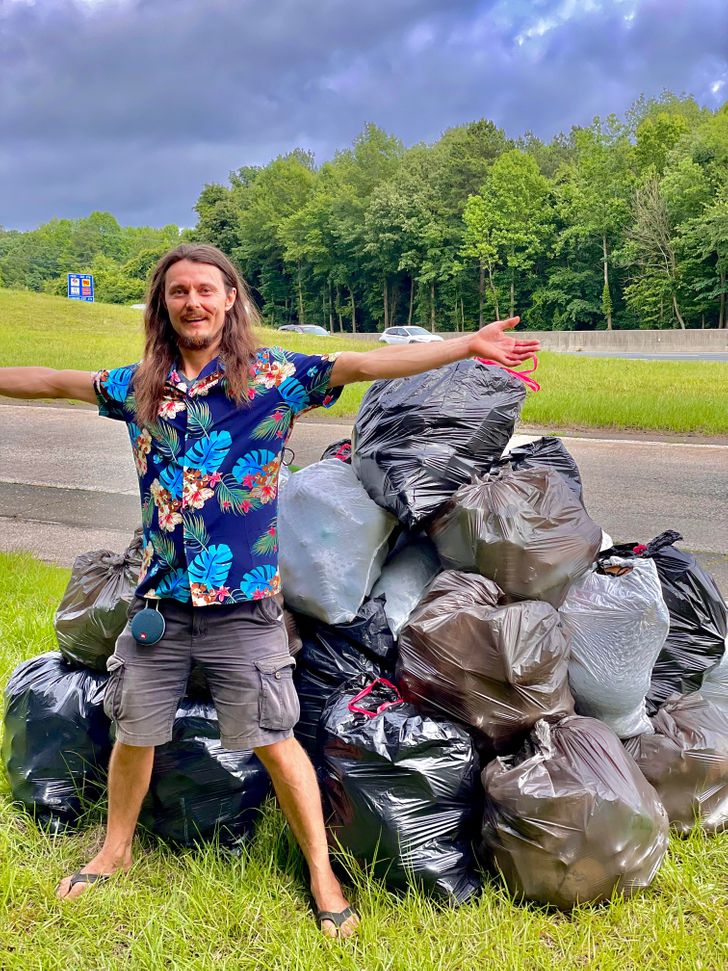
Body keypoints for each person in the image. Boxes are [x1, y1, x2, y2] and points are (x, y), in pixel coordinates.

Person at [0, 243, 539, 937]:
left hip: (245, 607)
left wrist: (466, 344)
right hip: (158, 605)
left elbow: (368, 362)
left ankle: (321, 870)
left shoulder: (276, 378)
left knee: (277, 741)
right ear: (164, 306)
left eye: (206, 289)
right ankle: (115, 848)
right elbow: (50, 381)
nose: (193, 301)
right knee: (133, 732)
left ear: (230, 300)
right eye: (179, 292)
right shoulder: (139, 386)